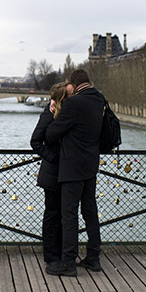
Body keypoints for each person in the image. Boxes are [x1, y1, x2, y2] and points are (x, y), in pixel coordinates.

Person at [44, 69, 105, 276]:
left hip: (71, 167)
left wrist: (54, 113)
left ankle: (68, 262)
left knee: (68, 215)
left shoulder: (74, 103)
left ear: (74, 84)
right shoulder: (99, 99)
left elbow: (51, 134)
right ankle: (93, 257)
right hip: (91, 165)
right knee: (90, 213)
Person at [29, 83, 68, 266]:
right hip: (52, 174)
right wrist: (53, 158)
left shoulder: (64, 115)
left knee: (62, 214)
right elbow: (35, 141)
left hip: (65, 172)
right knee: (53, 215)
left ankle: (60, 252)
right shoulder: (48, 115)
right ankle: (51, 255)